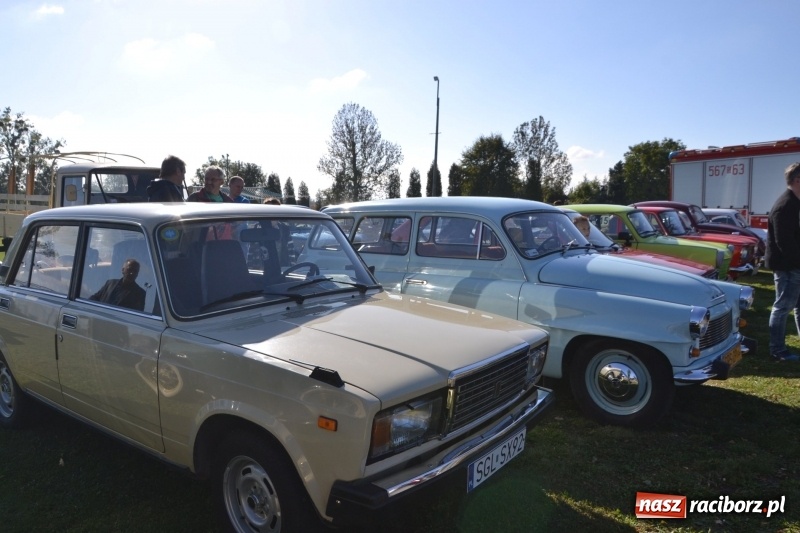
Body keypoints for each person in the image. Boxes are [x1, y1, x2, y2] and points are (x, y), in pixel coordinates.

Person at [765, 161, 800, 362]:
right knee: (782, 307)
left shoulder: (795, 203)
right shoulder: (785, 205)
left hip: (794, 266)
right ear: (797, 180)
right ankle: (777, 350)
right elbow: (784, 241)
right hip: (787, 267)